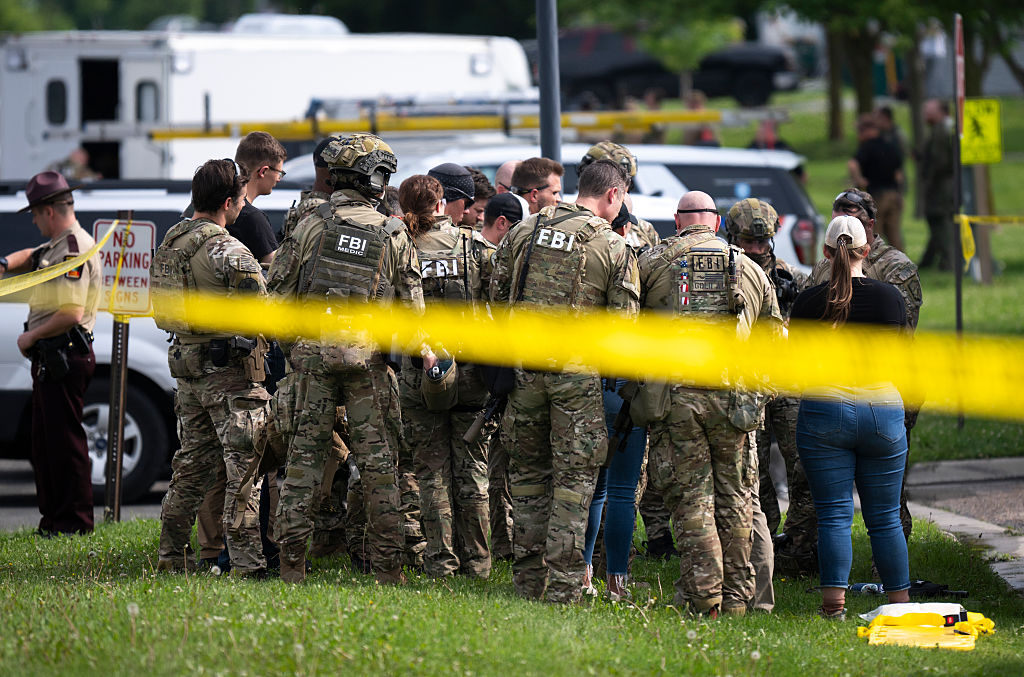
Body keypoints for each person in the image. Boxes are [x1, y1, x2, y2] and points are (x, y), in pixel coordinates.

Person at [266, 133, 431, 584]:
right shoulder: (392, 233)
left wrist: (295, 350)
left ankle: (292, 568)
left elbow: (276, 299)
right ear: (374, 179)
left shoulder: (307, 225)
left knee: (302, 466)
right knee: (380, 470)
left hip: (311, 365)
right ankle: (387, 571)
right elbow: (414, 316)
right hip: (369, 367)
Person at [490, 159, 639, 604]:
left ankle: (528, 583)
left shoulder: (525, 230)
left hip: (525, 372)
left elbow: (496, 294)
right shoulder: (612, 246)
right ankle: (564, 586)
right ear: (614, 194)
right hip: (576, 379)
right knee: (575, 483)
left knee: (530, 479)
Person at [637, 190, 782, 617]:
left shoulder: (654, 263)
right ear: (716, 222)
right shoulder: (751, 269)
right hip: (735, 400)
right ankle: (738, 598)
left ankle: (704, 598)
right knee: (736, 498)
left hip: (677, 399)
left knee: (692, 499)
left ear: (678, 221)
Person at [152, 159, 269, 576]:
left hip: (188, 372)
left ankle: (171, 557)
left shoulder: (171, 242)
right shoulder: (229, 250)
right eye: (238, 200)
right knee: (244, 472)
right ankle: (247, 563)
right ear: (227, 202)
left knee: (190, 468)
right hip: (231, 376)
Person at [791, 215, 912, 620]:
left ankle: (833, 607)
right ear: (867, 250)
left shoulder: (808, 303)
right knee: (885, 517)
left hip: (825, 408)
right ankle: (900, 606)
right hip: (882, 408)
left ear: (825, 253)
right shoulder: (890, 299)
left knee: (834, 514)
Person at [810, 188, 922, 546]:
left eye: (852, 215)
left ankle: (887, 562)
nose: (843, 221)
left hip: (888, 386)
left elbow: (901, 333)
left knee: (888, 493)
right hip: (834, 388)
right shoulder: (821, 269)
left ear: (870, 225)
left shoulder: (897, 268)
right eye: (837, 213)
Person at [395, 174, 491, 579]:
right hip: (470, 370)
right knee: (472, 468)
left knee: (430, 471)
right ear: (442, 204)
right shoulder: (474, 246)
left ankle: (441, 563)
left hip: (418, 372)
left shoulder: (397, 248)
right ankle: (480, 563)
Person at [722, 197, 810, 611]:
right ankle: (764, 554)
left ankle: (798, 549)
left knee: (802, 467)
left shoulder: (791, 277)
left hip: (786, 385)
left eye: (763, 241)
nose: (757, 248)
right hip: (746, 385)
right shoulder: (725, 272)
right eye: (748, 241)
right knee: (753, 476)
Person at [1, 171, 99, 537]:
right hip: (54, 357)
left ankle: (74, 523)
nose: (33, 221)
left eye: (34, 214)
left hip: (65, 354)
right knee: (45, 444)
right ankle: (54, 522)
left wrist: (30, 338)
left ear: (48, 211)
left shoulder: (73, 249)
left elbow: (71, 313)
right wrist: (4, 265)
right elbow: (32, 256)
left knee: (65, 445)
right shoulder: (58, 245)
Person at [475, 193, 523, 561]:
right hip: (498, 375)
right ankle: (506, 545)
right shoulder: (489, 257)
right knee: (502, 466)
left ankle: (505, 544)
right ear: (505, 223)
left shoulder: (486, 255)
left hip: (496, 373)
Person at [848, 114, 905, 252]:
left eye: (859, 131)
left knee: (873, 232)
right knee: (894, 233)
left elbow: (852, 164)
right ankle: (901, 263)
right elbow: (899, 174)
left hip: (876, 196)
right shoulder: (890, 145)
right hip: (893, 194)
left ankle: (874, 263)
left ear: (866, 130)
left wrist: (859, 180)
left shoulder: (867, 147)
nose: (858, 135)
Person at [230, 131, 288, 265]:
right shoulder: (252, 217)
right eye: (279, 173)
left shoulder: (219, 208)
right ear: (263, 171)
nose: (279, 179)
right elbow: (275, 270)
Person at [918, 99, 955, 271]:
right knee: (939, 224)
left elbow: (940, 161)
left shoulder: (941, 130)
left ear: (940, 112)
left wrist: (929, 179)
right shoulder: (946, 128)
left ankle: (948, 262)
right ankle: (931, 260)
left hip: (941, 188)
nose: (926, 115)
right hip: (944, 186)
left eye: (929, 111)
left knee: (939, 222)